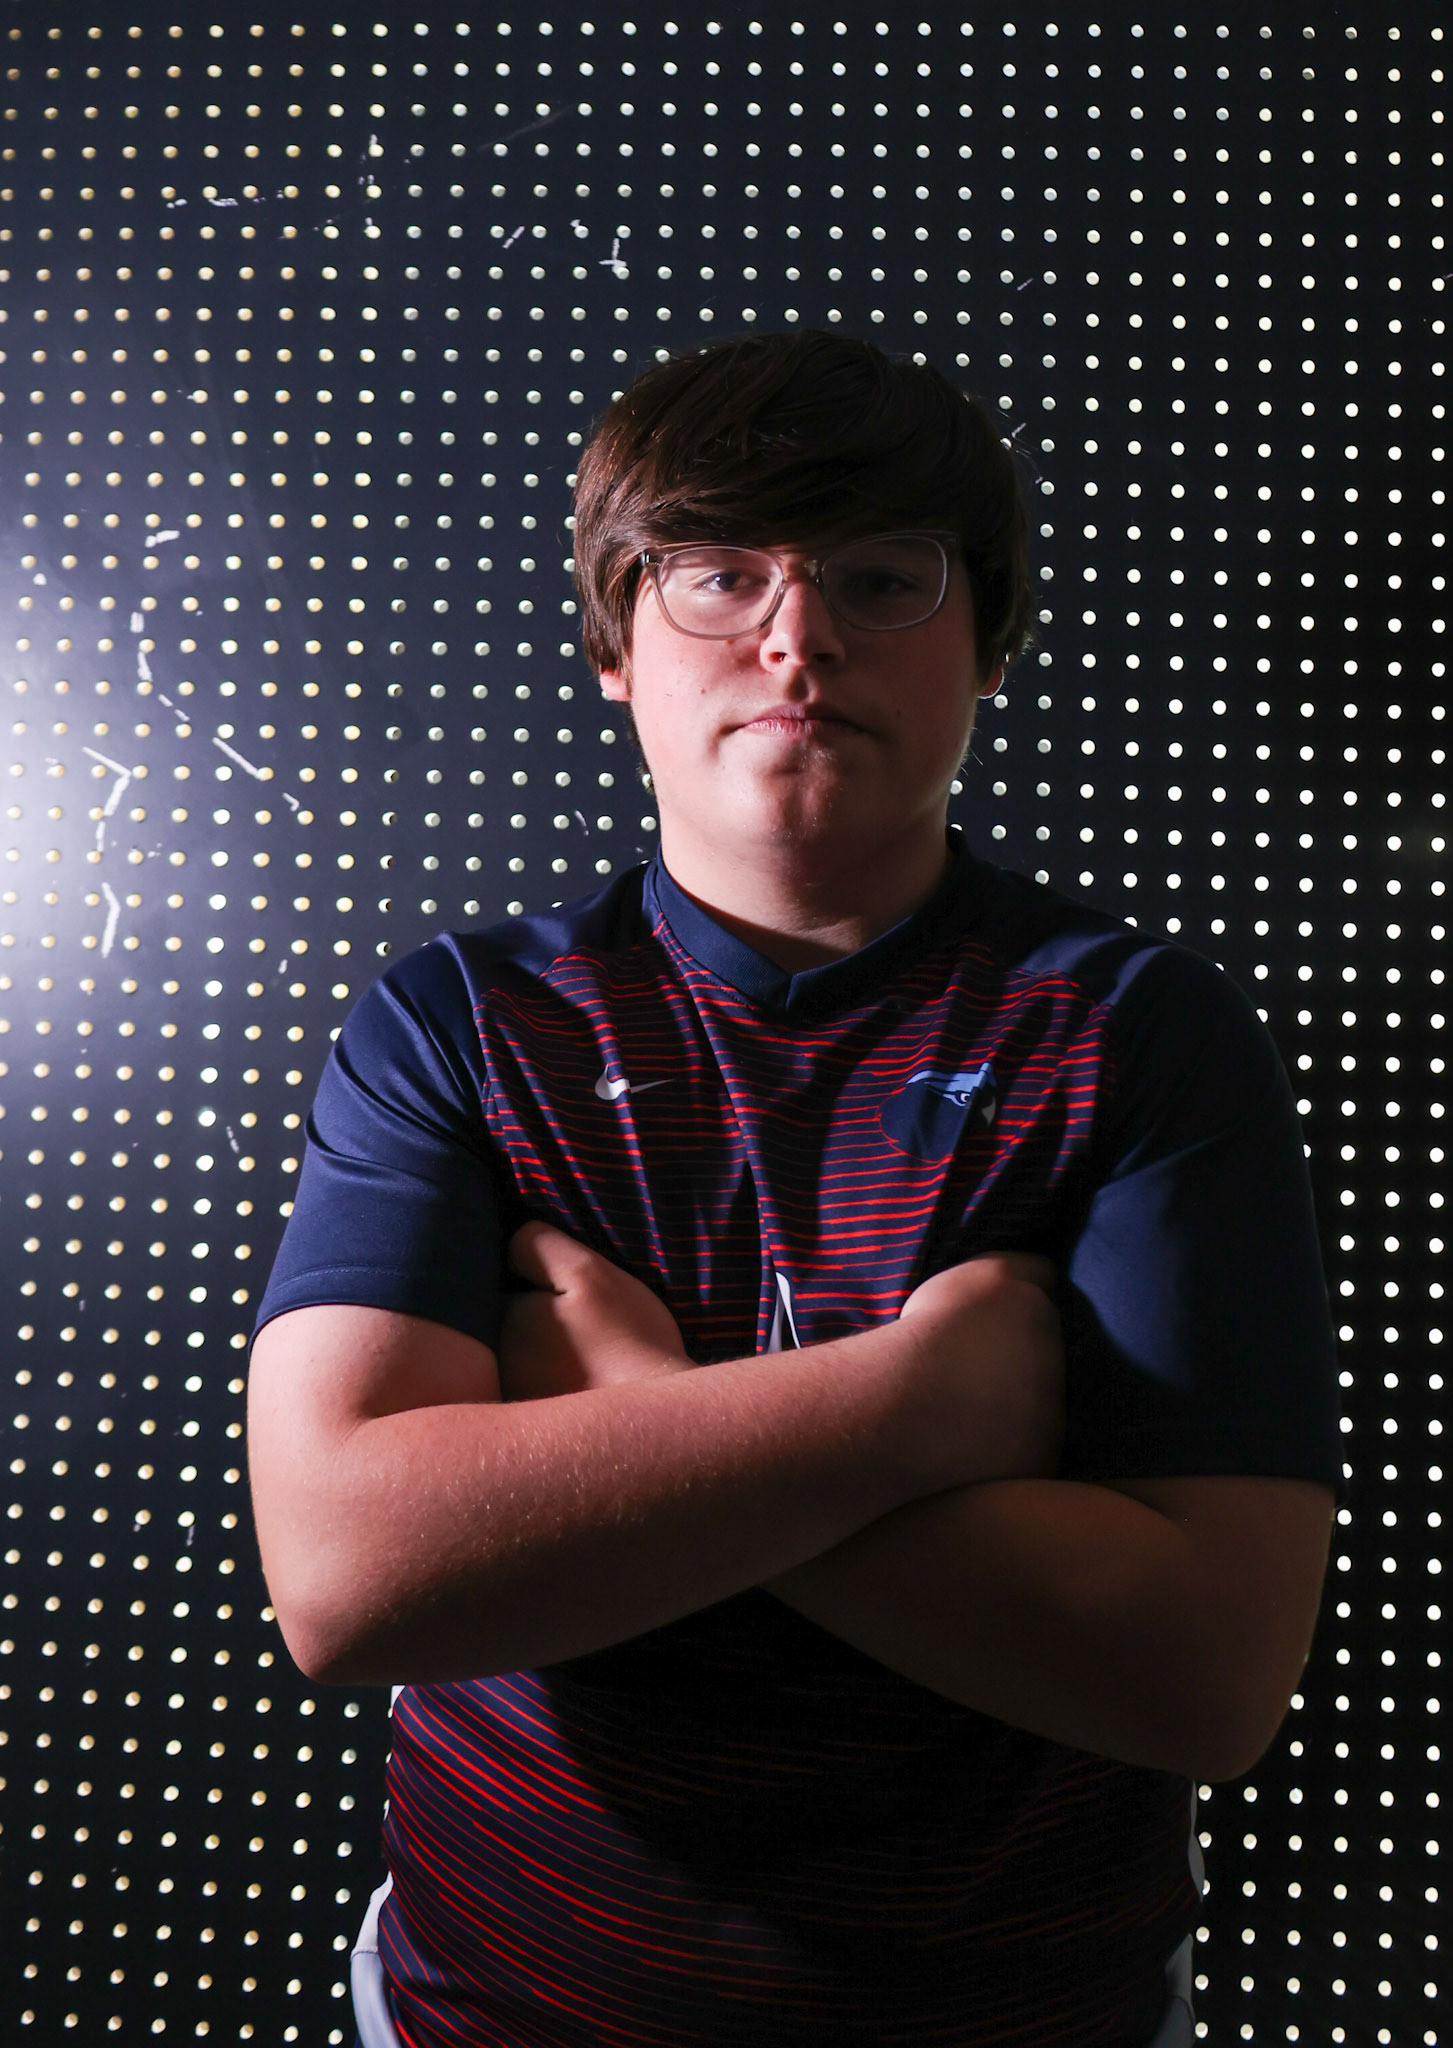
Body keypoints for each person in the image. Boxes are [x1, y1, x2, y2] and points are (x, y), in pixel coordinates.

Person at [248, 330, 1341, 2048]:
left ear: (986, 639)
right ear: (615, 644)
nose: (798, 636)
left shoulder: (1139, 1034)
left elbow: (1206, 1671)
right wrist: (911, 1411)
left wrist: (635, 1413)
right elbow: (353, 1575)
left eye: (880, 576)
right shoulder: (458, 1026)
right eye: (714, 574)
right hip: (494, 2008)